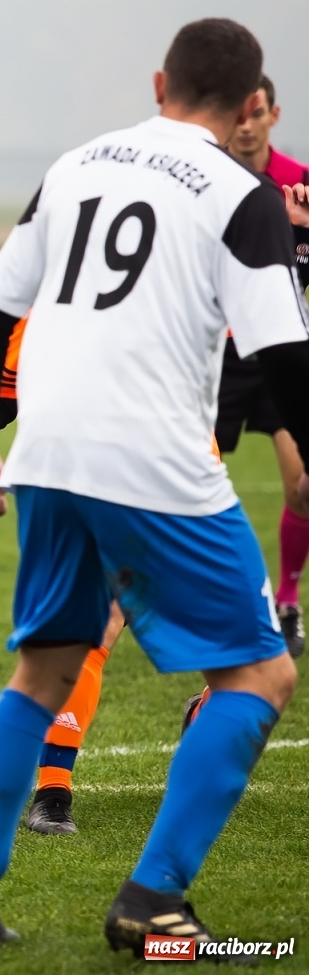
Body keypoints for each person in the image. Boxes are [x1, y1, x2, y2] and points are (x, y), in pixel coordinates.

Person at [0, 18, 307, 957]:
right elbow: (284, 355)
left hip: (50, 455)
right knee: (260, 672)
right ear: (253, 104)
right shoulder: (243, 192)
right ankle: (154, 901)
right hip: (155, 460)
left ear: (158, 81)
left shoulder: (76, 164)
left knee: (44, 669)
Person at [0, 317, 127, 837]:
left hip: (179, 469)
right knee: (90, 630)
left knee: (251, 666)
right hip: (75, 471)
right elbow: (2, 363)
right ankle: (52, 789)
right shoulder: (58, 269)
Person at [213, 74, 309, 657]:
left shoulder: (298, 182)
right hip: (216, 358)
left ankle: (288, 601)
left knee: (303, 487)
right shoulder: (206, 180)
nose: (245, 124)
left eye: (256, 113)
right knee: (187, 490)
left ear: (274, 114)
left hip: (280, 351)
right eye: (237, 113)